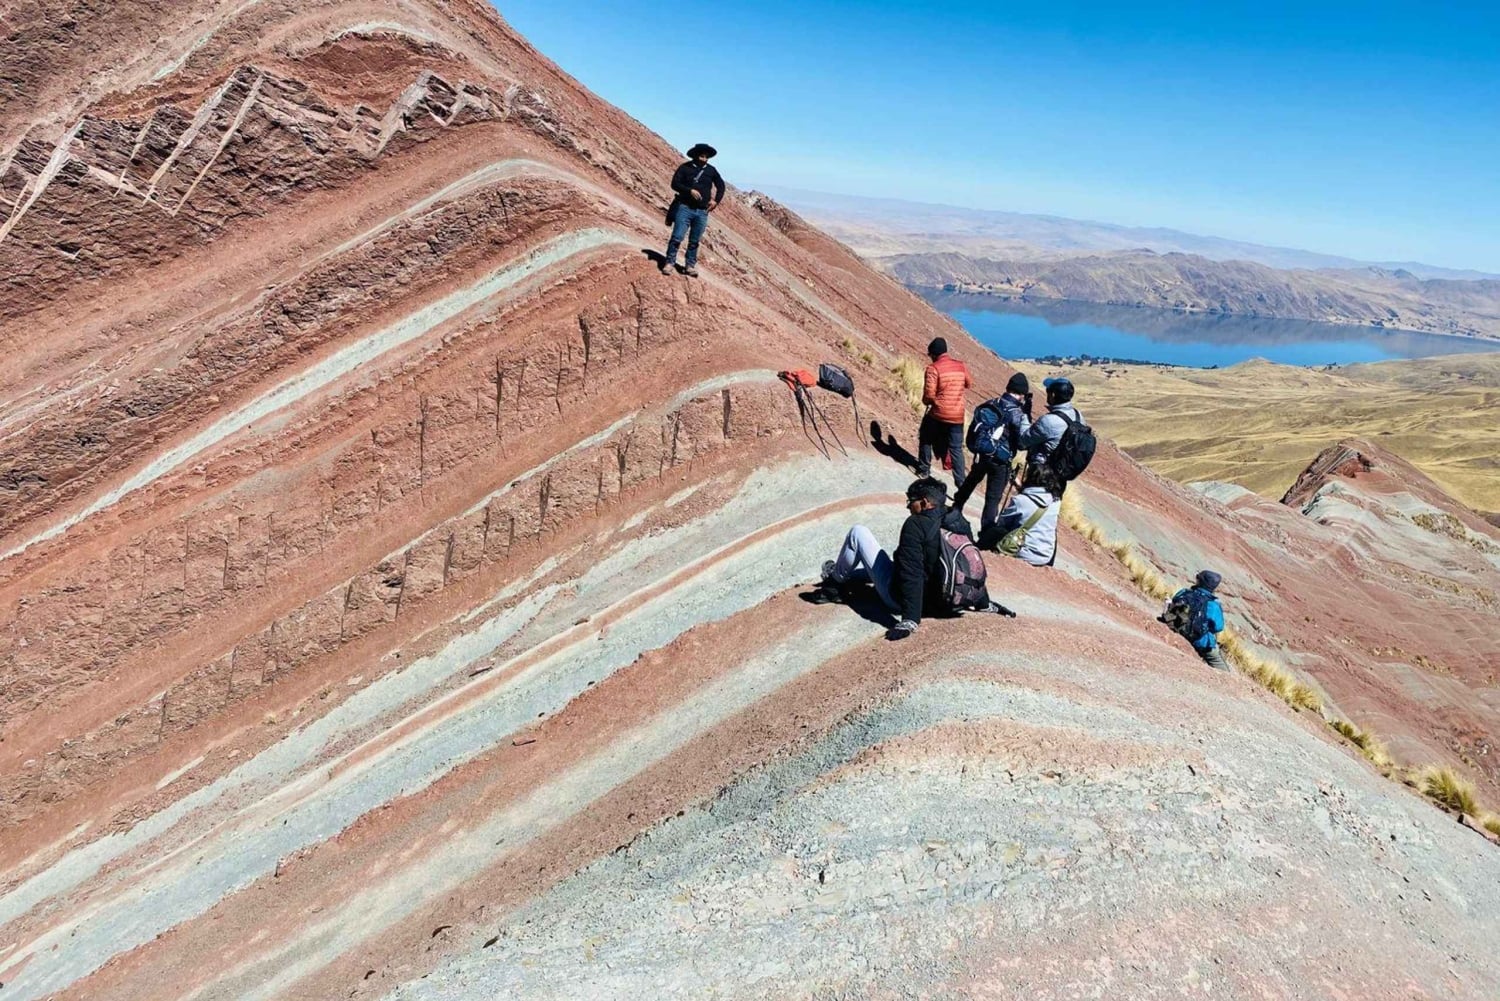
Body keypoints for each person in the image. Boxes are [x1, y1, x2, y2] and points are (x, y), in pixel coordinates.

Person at [810, 477, 1007, 638]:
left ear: (924, 502)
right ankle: (842, 574)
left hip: (900, 600)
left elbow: (912, 573)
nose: (908, 507)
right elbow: (970, 562)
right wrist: (984, 603)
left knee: (858, 533)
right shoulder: (958, 521)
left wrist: (910, 620)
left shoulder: (916, 524)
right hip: (945, 604)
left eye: (910, 501)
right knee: (894, 562)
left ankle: (832, 586)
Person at [951, 371, 1033, 536]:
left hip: (982, 454)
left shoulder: (991, 403)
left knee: (970, 483)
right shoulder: (1017, 414)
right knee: (992, 499)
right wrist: (1027, 415)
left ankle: (954, 510)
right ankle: (985, 532)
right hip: (1001, 462)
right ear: (1022, 394)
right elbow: (1023, 442)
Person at [661, 143, 725, 278]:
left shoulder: (711, 170)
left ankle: (690, 266)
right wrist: (689, 190)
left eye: (706, 156)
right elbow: (675, 184)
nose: (704, 158)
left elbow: (721, 185)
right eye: (701, 155)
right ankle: (669, 263)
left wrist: (716, 201)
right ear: (696, 155)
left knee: (694, 241)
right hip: (684, 208)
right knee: (677, 237)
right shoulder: (685, 168)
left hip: (702, 212)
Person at [916, 337, 972, 487]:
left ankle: (924, 470)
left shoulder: (933, 369)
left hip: (938, 414)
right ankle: (961, 484)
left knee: (926, 437)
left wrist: (929, 402)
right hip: (957, 416)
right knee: (956, 449)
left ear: (934, 354)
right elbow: (969, 383)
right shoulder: (961, 366)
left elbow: (929, 395)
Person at [986, 463, 1062, 565]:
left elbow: (1002, 522)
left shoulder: (1019, 501)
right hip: (1046, 556)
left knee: (993, 532)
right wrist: (1020, 487)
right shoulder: (1055, 503)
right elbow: (1036, 499)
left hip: (1025, 553)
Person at [1159, 570, 1229, 670]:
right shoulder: (1213, 605)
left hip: (1176, 629)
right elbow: (1218, 627)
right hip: (1199, 642)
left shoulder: (1183, 592)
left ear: (1199, 581)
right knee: (1221, 666)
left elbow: (1173, 605)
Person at [1018, 376, 1083, 483]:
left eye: (1048, 391)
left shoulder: (1049, 421)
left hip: (1040, 474)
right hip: (1061, 475)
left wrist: (1025, 414)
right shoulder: (1078, 416)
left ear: (1052, 395)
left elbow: (1022, 441)